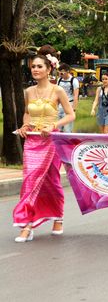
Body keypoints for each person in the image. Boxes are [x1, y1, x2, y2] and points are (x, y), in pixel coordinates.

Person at [13, 54, 75, 242]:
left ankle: (58, 217)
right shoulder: (29, 91)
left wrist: (54, 126)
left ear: (49, 69)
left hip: (51, 141)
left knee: (52, 181)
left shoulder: (58, 91)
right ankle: (27, 224)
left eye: (39, 66)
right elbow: (26, 113)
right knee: (30, 181)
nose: (35, 69)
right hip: (32, 142)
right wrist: (24, 126)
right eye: (33, 67)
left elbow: (71, 115)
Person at [56, 63, 79, 133]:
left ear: (67, 71)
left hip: (69, 104)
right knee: (57, 128)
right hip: (60, 106)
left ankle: (67, 143)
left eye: (62, 72)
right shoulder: (59, 80)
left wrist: (73, 109)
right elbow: (56, 93)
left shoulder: (74, 81)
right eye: (59, 72)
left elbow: (76, 95)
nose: (60, 74)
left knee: (67, 129)